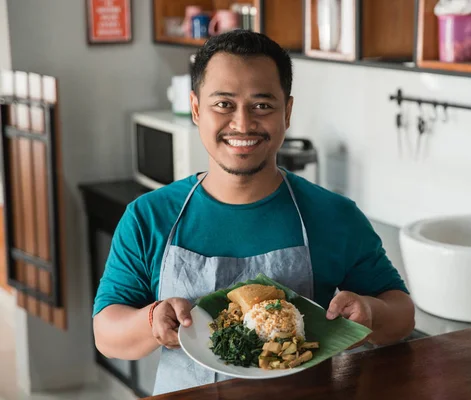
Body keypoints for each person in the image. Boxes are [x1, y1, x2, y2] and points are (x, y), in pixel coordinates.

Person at [92, 30, 415, 396]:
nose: (242, 124)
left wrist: (370, 313)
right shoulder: (149, 216)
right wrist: (151, 321)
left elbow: (401, 313)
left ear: (287, 112)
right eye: (223, 104)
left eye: (262, 105)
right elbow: (106, 332)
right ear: (197, 109)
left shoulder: (333, 215)